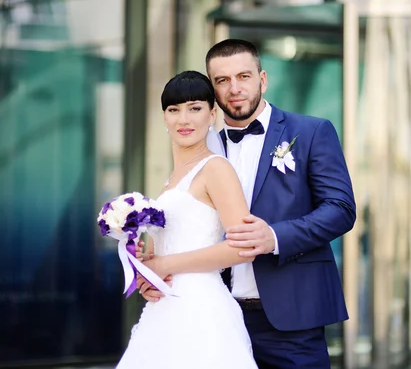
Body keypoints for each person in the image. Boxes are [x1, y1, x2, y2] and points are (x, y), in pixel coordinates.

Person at [140, 39, 357, 368]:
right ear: (212, 91)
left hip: (292, 317)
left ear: (263, 79)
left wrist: (274, 236)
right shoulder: (201, 148)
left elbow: (341, 209)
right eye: (222, 81)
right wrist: (158, 275)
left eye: (244, 76)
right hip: (215, 314)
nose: (234, 88)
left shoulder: (311, 132)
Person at [117, 70, 258, 368]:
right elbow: (162, 250)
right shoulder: (170, 180)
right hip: (164, 310)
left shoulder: (216, 168)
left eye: (195, 108)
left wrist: (165, 265)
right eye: (174, 110)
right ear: (164, 118)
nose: (184, 119)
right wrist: (148, 274)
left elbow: (241, 247)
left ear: (212, 114)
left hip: (200, 310)